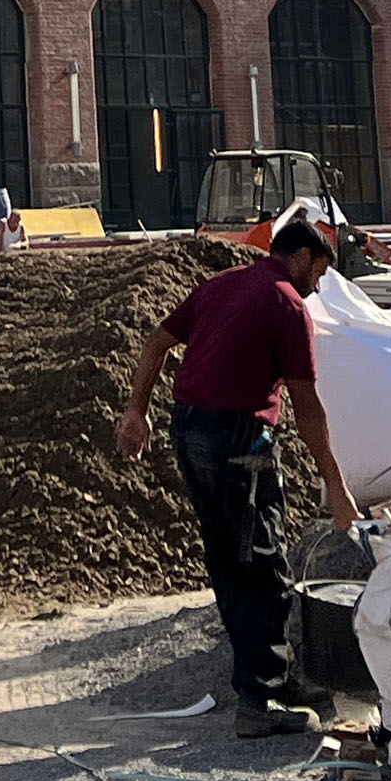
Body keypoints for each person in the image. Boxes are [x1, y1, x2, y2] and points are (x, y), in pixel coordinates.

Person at [112, 214, 358, 734]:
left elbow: (157, 341)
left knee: (230, 561)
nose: (318, 287)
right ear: (303, 257)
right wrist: (337, 487)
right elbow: (307, 407)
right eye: (320, 272)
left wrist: (138, 409)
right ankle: (261, 700)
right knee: (262, 564)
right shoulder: (287, 304)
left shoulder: (222, 286)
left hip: (190, 431)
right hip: (236, 442)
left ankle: (267, 678)